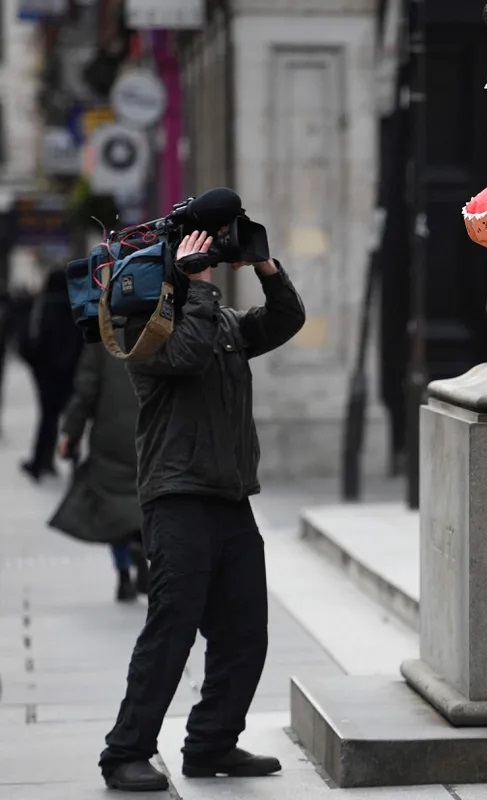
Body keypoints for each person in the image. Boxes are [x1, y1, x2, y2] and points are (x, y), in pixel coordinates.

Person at [98, 228, 306, 792]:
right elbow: (186, 356)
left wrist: (264, 265)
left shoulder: (224, 324)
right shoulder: (145, 329)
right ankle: (124, 753)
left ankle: (211, 742)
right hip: (177, 497)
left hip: (230, 498)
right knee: (172, 629)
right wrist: (196, 288)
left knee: (245, 631)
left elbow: (285, 320)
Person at [50, 340, 148, 602]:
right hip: (153, 430)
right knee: (149, 498)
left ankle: (124, 573)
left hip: (110, 432)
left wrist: (71, 432)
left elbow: (85, 390)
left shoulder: (103, 334)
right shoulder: (166, 323)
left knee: (112, 503)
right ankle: (143, 546)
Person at [18, 270, 83, 480]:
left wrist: (36, 366)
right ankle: (75, 463)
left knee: (47, 418)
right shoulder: (76, 305)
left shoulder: (42, 305)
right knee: (74, 419)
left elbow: (27, 339)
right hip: (72, 372)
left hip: (46, 374)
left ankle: (40, 463)